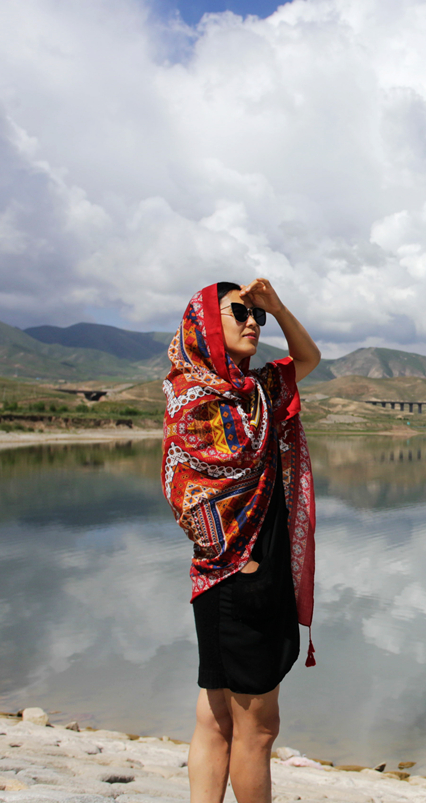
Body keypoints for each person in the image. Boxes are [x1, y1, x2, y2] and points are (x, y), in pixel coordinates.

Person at [161, 278, 322, 803]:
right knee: (258, 730)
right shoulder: (197, 401)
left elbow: (309, 357)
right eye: (239, 313)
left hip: (226, 580)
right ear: (207, 324)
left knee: (217, 719)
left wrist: (277, 305)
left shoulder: (256, 392)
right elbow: (188, 494)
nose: (253, 323)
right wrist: (241, 561)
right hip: (239, 577)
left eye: (260, 318)